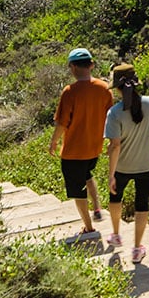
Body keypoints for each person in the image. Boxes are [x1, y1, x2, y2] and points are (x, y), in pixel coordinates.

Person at [49, 47, 113, 240]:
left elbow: (62, 123)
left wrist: (53, 142)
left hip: (73, 151)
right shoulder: (104, 89)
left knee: (78, 190)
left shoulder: (70, 92)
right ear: (91, 64)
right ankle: (98, 207)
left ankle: (88, 227)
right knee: (87, 174)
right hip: (94, 147)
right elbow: (111, 118)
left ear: (72, 67)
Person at [104, 63, 149, 263]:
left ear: (118, 88)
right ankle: (137, 248)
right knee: (142, 203)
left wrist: (111, 175)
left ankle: (115, 235)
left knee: (115, 198)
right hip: (147, 164)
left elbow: (114, 146)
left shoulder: (115, 113)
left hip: (122, 166)